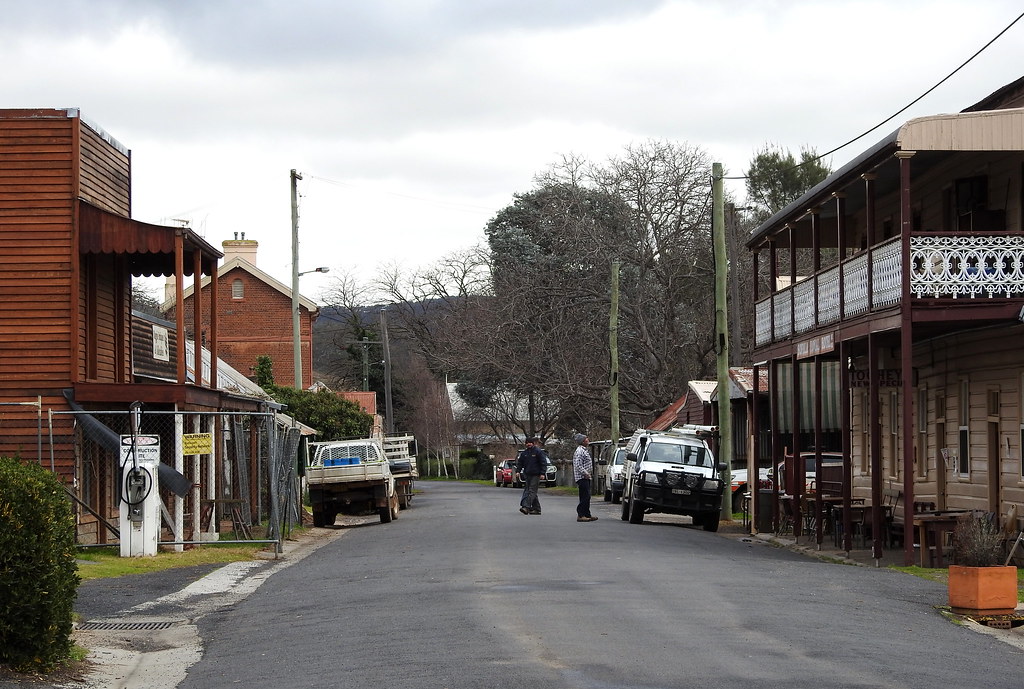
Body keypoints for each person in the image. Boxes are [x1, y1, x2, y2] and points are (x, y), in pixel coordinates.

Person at [515, 436, 545, 515]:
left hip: (536, 474)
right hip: (527, 474)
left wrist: (542, 473)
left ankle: (526, 507)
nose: (529, 444)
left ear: (533, 443)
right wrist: (518, 471)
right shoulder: (524, 453)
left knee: (531, 491)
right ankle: (537, 509)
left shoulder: (538, 452)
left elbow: (543, 463)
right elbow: (520, 463)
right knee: (531, 491)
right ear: (525, 444)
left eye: (530, 443)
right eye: (527, 443)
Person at [573, 433, 597, 522]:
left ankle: (587, 514)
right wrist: (585, 473)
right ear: (582, 441)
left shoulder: (584, 450)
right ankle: (581, 514)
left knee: (587, 496)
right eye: (586, 439)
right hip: (582, 477)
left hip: (586, 477)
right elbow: (578, 465)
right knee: (584, 496)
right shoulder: (580, 451)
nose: (588, 440)